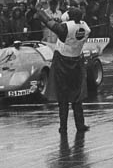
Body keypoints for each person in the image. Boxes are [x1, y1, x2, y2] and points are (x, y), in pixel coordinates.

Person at [36, 7, 91, 135]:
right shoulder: (86, 28)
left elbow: (50, 24)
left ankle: (63, 127)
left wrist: (40, 12)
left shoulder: (65, 28)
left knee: (63, 96)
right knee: (77, 96)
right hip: (76, 61)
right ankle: (80, 124)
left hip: (62, 62)